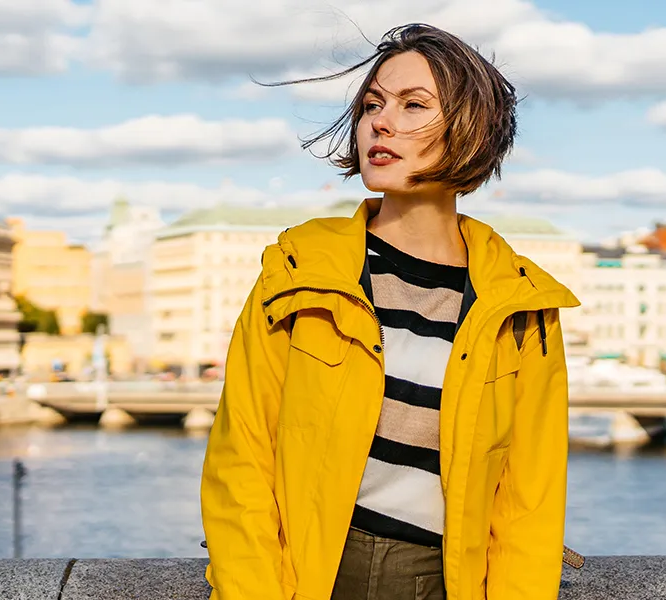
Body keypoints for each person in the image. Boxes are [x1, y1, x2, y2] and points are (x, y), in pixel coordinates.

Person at [200, 24, 580, 600]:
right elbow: (241, 463)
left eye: (413, 105)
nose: (381, 122)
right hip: (307, 579)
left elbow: (529, 504)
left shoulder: (520, 304)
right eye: (372, 104)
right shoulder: (301, 271)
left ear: (471, 131)